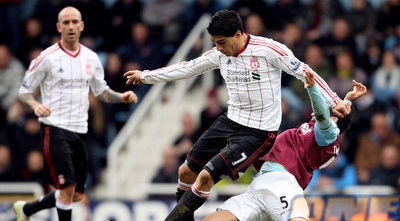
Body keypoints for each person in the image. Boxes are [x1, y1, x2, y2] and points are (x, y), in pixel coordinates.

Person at [124, 9, 348, 221]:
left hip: (258, 132)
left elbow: (305, 72)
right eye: (214, 43)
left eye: (222, 42)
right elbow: (188, 67)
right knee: (185, 172)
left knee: (205, 177)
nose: (218, 48)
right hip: (230, 121)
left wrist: (335, 100)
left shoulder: (269, 49)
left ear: (239, 34)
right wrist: (146, 76)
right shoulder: (219, 54)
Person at [13, 6, 138, 221]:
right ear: (58, 27)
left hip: (81, 130)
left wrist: (121, 97)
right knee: (68, 188)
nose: (70, 26)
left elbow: (101, 92)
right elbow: (24, 91)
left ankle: (26, 210)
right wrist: (35, 106)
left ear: (81, 26)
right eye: (66, 22)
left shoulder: (91, 58)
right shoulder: (47, 58)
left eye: (74, 22)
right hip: (55, 128)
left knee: (76, 194)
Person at [202, 70, 367, 221]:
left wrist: (312, 88)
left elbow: (323, 116)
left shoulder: (330, 134)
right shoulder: (320, 128)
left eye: (329, 103)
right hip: (262, 182)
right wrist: (349, 100)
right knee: (225, 216)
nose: (326, 101)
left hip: (282, 181)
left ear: (335, 119)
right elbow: (337, 113)